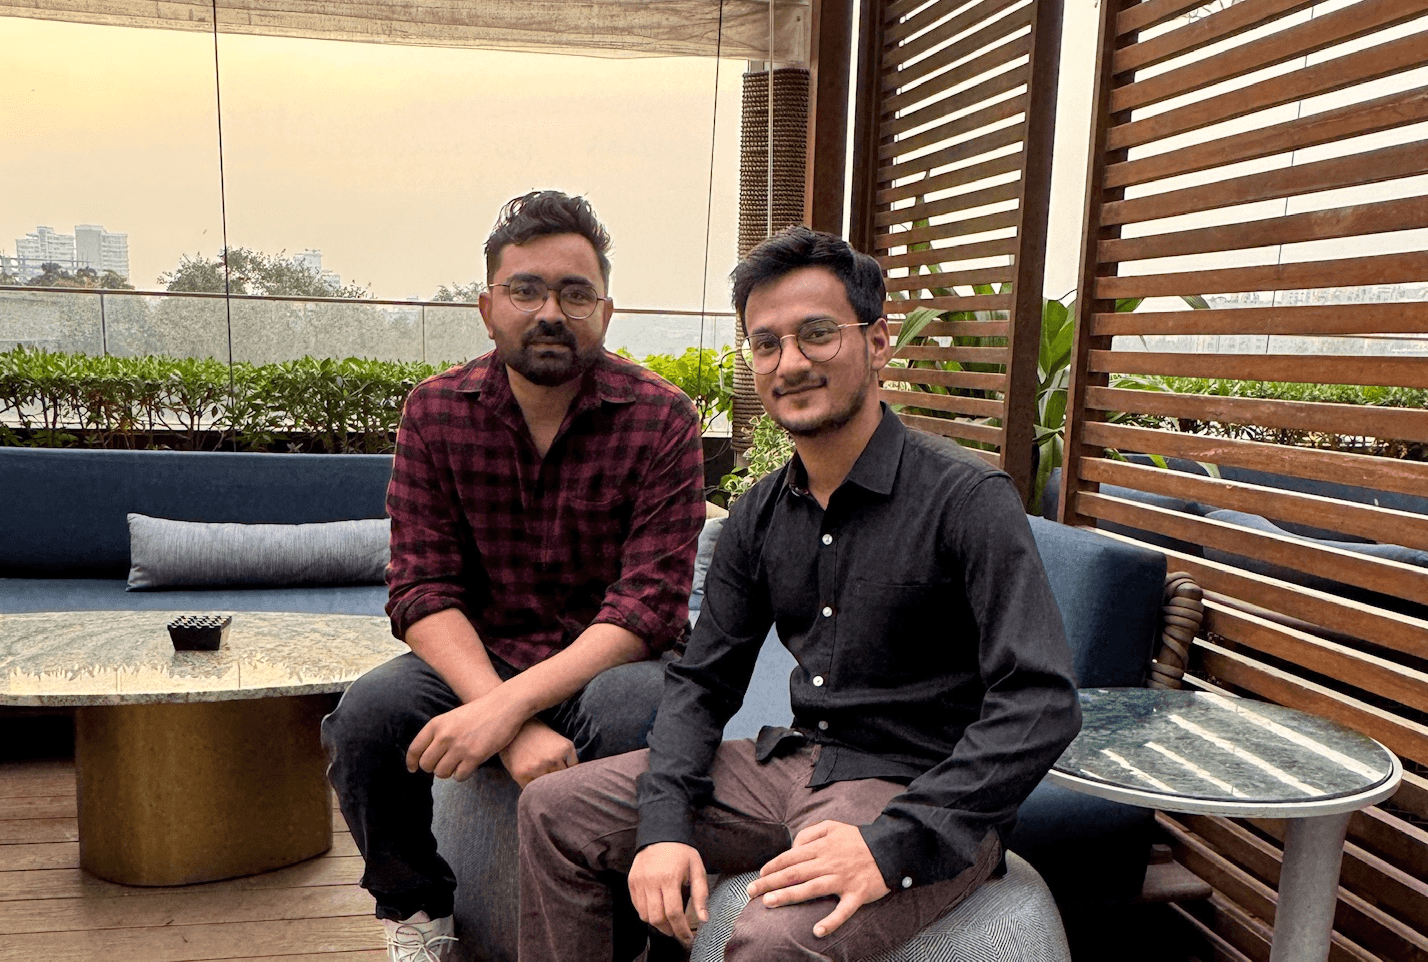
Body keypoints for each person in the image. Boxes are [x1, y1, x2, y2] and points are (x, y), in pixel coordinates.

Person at [516, 226, 1082, 961]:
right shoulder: (759, 514)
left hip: (915, 785)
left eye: (817, 334)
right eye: (766, 344)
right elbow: (702, 680)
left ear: (877, 342)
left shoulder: (965, 499)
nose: (790, 363)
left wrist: (890, 845)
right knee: (554, 809)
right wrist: (663, 826)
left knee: (776, 939)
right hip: (792, 761)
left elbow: (1040, 701)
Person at [321, 190, 707, 962]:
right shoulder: (435, 412)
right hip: (485, 651)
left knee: (638, 715)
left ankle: (627, 935)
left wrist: (503, 712)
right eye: (526, 289)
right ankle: (417, 911)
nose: (550, 312)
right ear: (487, 308)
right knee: (367, 718)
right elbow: (422, 587)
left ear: (605, 311)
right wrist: (506, 714)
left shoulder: (662, 417)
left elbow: (649, 606)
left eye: (575, 293)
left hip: (610, 663)